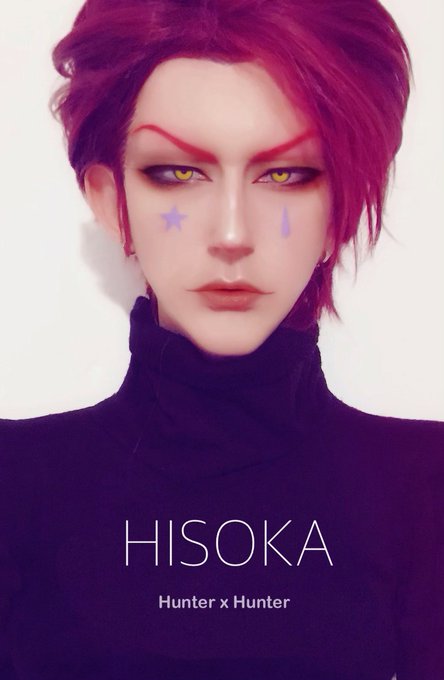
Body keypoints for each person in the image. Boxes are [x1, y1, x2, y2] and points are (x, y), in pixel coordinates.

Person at [1, 1, 443, 679]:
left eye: (286, 173)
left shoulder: (426, 488)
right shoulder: (14, 482)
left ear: (340, 212)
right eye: (177, 172)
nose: (232, 233)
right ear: (111, 201)